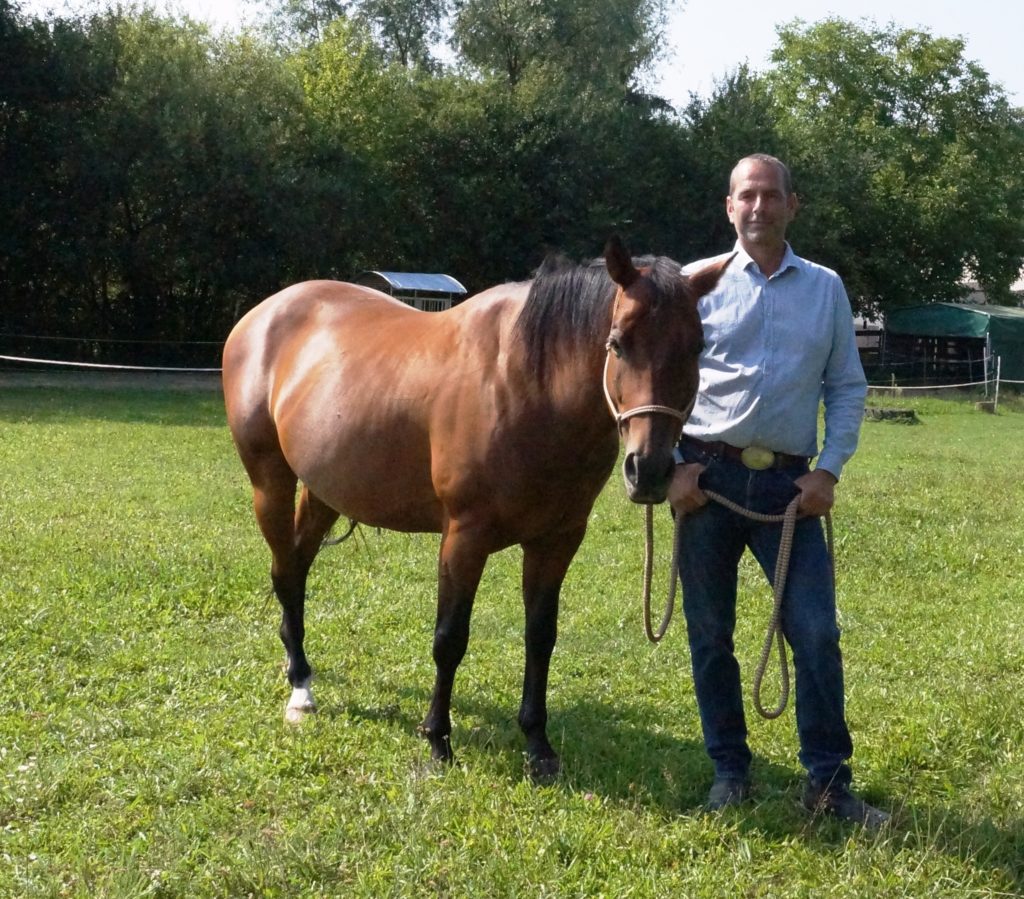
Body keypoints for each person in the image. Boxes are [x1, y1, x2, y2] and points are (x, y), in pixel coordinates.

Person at [668, 153, 888, 828]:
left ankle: (828, 785)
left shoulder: (826, 288)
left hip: (790, 489)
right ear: (728, 207)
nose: (758, 206)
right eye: (746, 196)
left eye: (771, 195)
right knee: (711, 635)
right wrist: (675, 464)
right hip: (707, 479)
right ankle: (728, 770)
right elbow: (656, 376)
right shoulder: (690, 285)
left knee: (815, 632)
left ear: (793, 205)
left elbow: (846, 385)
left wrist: (829, 468)